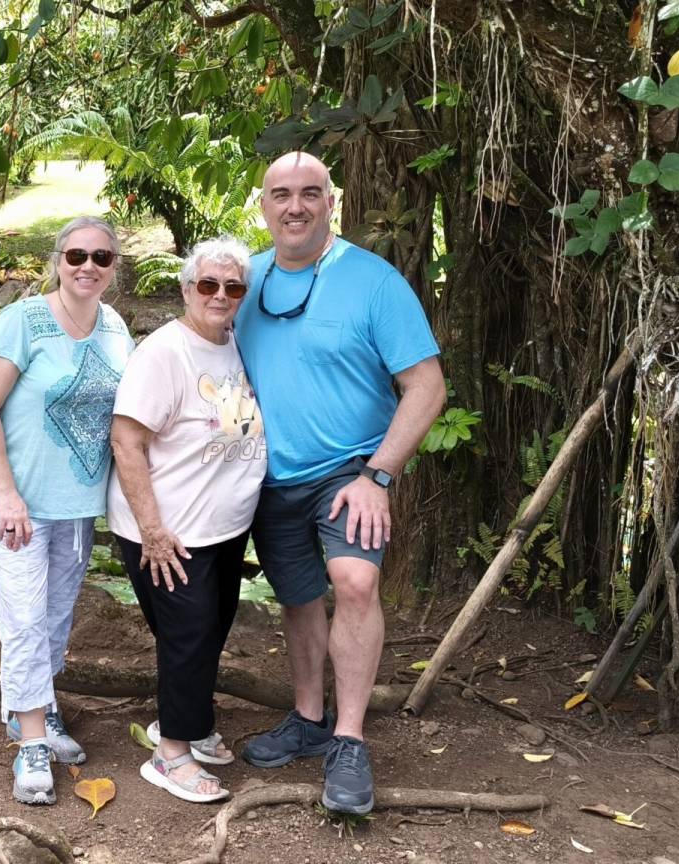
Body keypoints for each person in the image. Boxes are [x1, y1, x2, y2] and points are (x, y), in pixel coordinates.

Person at [233, 152, 446, 815]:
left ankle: (349, 741)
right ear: (263, 206)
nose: (295, 206)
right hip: (269, 478)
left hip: (351, 472)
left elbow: (426, 386)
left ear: (332, 202)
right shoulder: (245, 281)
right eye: (281, 194)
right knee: (298, 598)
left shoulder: (374, 281)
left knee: (354, 583)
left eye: (310, 193)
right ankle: (308, 718)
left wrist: (379, 475)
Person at [0, 215, 133, 805]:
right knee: (24, 616)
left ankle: (32, 706)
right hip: (16, 501)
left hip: (77, 506)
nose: (88, 266)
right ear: (58, 260)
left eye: (101, 257)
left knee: (56, 617)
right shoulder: (22, 320)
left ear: (114, 268)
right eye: (76, 255)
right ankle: (32, 742)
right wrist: (7, 493)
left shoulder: (115, 327)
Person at [109, 237, 265, 804]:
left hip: (223, 528)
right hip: (169, 531)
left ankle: (190, 723)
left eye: (232, 286)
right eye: (208, 284)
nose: (220, 295)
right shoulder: (164, 353)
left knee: (211, 629)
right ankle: (170, 753)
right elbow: (126, 442)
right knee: (189, 634)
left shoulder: (233, 344)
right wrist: (153, 531)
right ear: (186, 289)